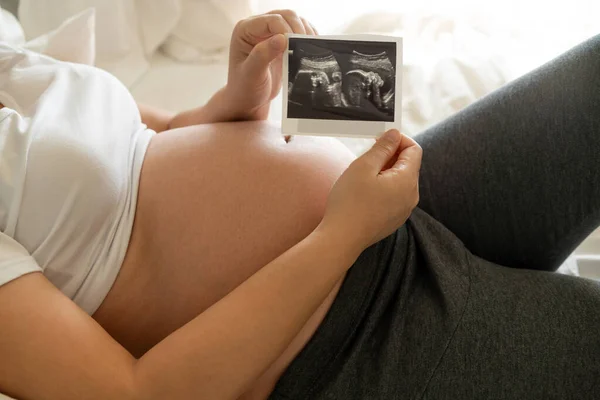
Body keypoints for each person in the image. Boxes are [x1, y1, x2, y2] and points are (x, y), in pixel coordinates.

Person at [0, 9, 598, 400]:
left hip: (398, 210)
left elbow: (149, 135)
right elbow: (135, 391)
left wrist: (239, 95)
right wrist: (339, 236)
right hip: (355, 337)